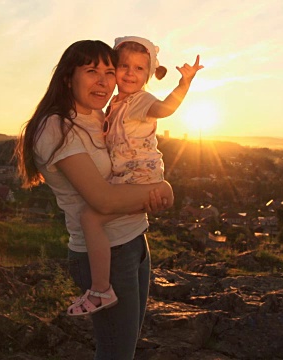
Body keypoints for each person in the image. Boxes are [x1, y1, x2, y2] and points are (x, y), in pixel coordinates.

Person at [14, 39, 174, 359]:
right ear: (67, 78)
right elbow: (103, 200)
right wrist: (164, 190)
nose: (103, 81)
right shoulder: (56, 127)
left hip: (134, 242)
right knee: (116, 354)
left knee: (123, 349)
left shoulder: (98, 115)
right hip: (106, 255)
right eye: (91, 71)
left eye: (108, 71)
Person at [76, 36, 204, 317]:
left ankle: (100, 290)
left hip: (140, 179)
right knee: (96, 217)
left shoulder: (140, 100)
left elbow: (165, 109)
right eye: (124, 66)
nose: (131, 74)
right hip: (128, 178)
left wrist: (184, 85)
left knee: (90, 218)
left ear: (148, 75)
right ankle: (102, 285)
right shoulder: (116, 104)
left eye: (139, 69)